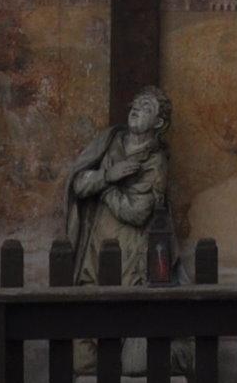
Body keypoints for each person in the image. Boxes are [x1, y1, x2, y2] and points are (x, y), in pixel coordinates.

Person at [63, 86, 172, 287]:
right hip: (94, 247)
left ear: (158, 122)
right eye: (135, 105)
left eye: (146, 108)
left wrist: (104, 188)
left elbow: (137, 213)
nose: (136, 110)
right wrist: (106, 175)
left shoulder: (156, 162)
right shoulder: (109, 141)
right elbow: (77, 184)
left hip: (129, 254)